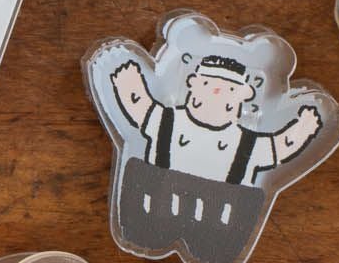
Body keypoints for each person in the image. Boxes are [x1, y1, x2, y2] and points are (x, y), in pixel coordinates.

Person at [108, 53, 322, 186]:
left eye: (230, 89)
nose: (217, 92)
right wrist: (129, 85)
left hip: (217, 220)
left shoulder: (245, 143)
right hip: (157, 205)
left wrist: (303, 128)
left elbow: (278, 148)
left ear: (243, 96)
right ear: (192, 84)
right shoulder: (168, 122)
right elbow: (141, 109)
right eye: (207, 85)